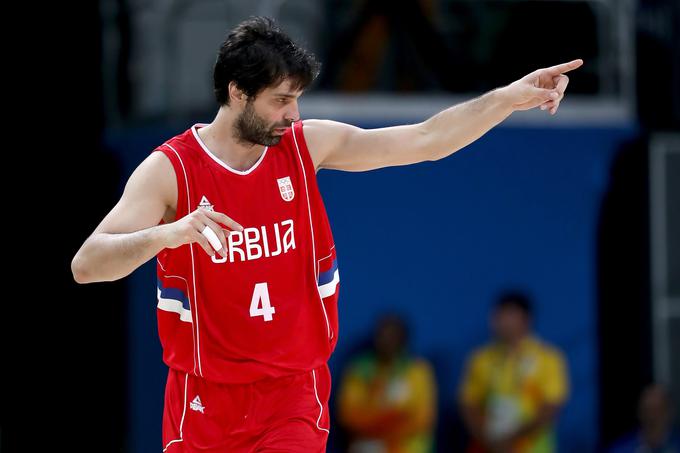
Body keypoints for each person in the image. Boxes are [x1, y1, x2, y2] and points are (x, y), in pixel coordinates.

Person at [70, 16, 582, 453]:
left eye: (297, 99)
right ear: (237, 92)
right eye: (281, 100)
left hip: (293, 390)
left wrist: (509, 98)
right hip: (204, 398)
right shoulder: (171, 170)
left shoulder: (304, 146)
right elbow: (87, 265)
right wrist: (169, 235)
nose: (293, 113)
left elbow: (427, 140)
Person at [458, 291, 569, 453]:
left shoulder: (549, 358)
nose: (500, 322)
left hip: (531, 447)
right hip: (487, 446)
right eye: (497, 316)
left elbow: (551, 406)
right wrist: (487, 438)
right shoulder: (480, 358)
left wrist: (512, 438)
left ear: (526, 319)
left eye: (508, 315)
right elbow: (468, 403)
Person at [337, 313, 437, 453]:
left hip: (406, 448)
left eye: (392, 336)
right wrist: (386, 421)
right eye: (382, 335)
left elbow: (422, 419)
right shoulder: (359, 369)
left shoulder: (418, 371)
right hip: (367, 445)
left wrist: (384, 426)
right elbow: (348, 415)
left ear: (403, 339)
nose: (386, 341)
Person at [607, 383, 680, 453]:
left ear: (669, 413)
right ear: (639, 414)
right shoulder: (621, 449)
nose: (652, 417)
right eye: (647, 410)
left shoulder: (677, 445)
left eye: (657, 411)